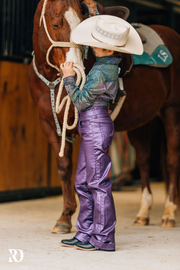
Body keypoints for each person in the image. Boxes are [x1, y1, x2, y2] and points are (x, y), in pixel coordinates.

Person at [60, 15, 143, 251]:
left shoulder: (100, 72)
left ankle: (104, 237)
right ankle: (85, 232)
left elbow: (80, 100)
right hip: (92, 127)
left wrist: (68, 79)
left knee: (97, 183)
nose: (91, 44)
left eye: (95, 42)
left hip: (94, 126)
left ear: (105, 48)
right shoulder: (104, 66)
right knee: (82, 182)